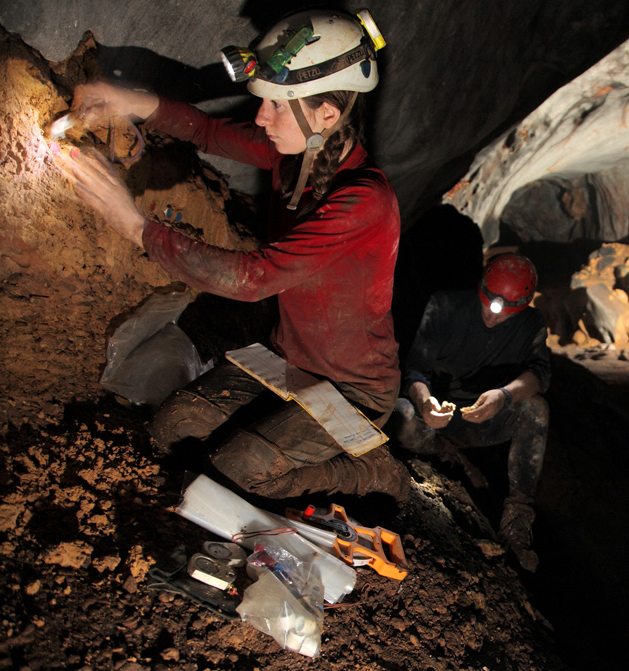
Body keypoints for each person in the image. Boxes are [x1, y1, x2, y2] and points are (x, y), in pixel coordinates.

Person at [59, 10, 409, 505]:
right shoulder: (296, 155)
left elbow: (253, 279)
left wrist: (136, 226)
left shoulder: (364, 200)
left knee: (238, 471)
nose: (261, 118)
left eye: (276, 107)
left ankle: (369, 472)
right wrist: (133, 102)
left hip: (352, 389)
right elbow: (206, 131)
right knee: (173, 428)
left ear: (327, 114)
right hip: (289, 360)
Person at [388, 253, 550, 571]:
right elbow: (415, 371)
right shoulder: (446, 306)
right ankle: (449, 456)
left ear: (522, 306)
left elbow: (540, 374)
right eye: (487, 301)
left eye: (502, 311)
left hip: (484, 419)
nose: (491, 315)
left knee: (535, 409)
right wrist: (426, 403)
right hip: (435, 420)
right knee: (399, 415)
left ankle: (516, 525)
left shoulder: (532, 324)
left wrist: (504, 396)